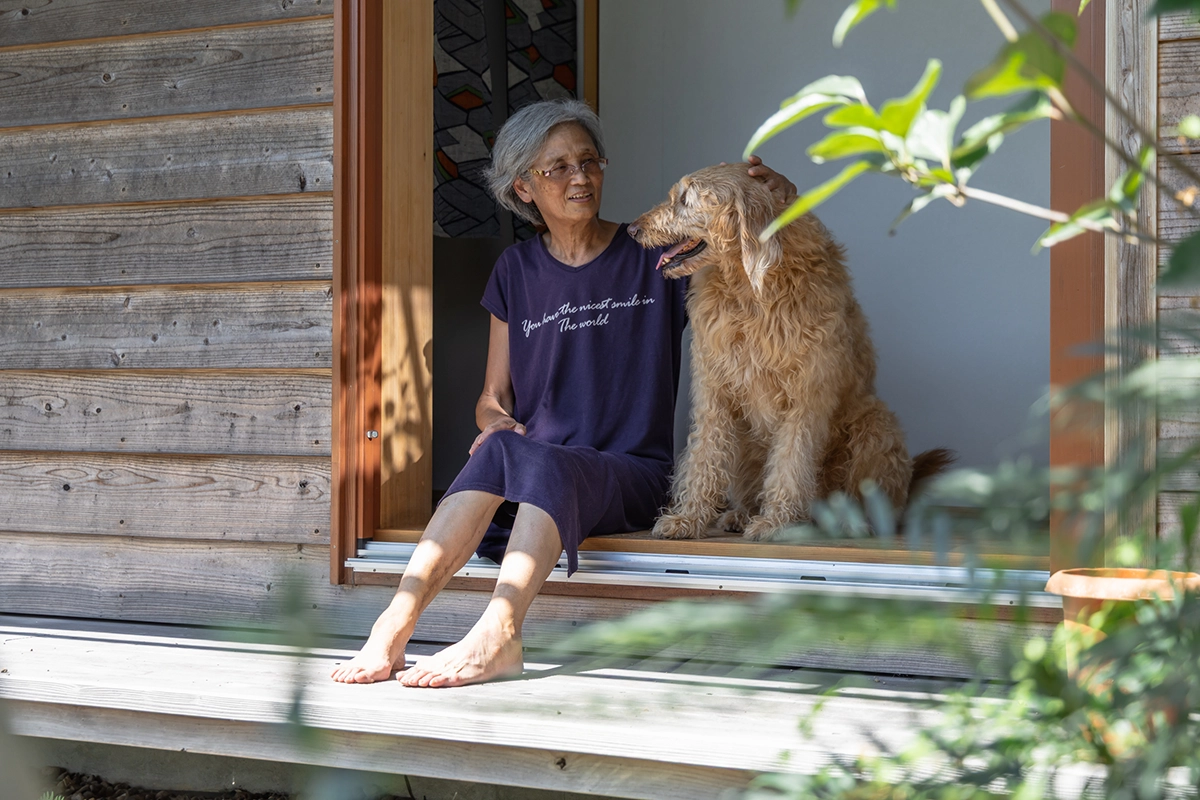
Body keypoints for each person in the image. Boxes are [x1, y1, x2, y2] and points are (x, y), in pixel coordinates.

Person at [330, 99, 795, 688]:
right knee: (502, 448)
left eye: (589, 161)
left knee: (545, 460)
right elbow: (490, 398)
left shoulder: (655, 253)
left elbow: (756, 273)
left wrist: (780, 206)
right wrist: (497, 422)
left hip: (631, 474)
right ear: (523, 188)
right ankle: (392, 627)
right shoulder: (514, 270)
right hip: (537, 483)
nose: (580, 177)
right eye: (558, 168)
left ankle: (499, 633)